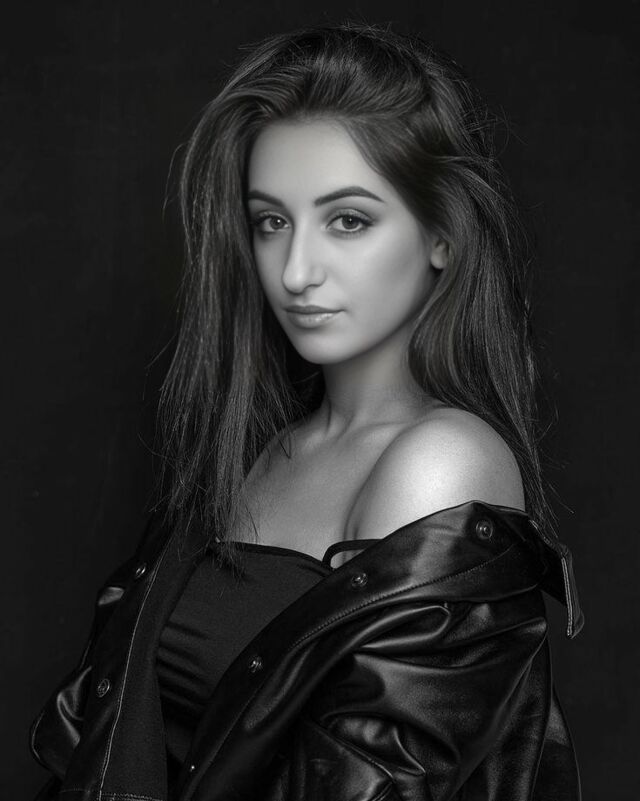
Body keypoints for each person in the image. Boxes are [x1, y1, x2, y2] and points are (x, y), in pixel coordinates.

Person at [30, 21, 584, 801]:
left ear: (442, 235)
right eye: (272, 221)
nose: (295, 271)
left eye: (347, 220)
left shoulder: (440, 461)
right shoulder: (261, 450)